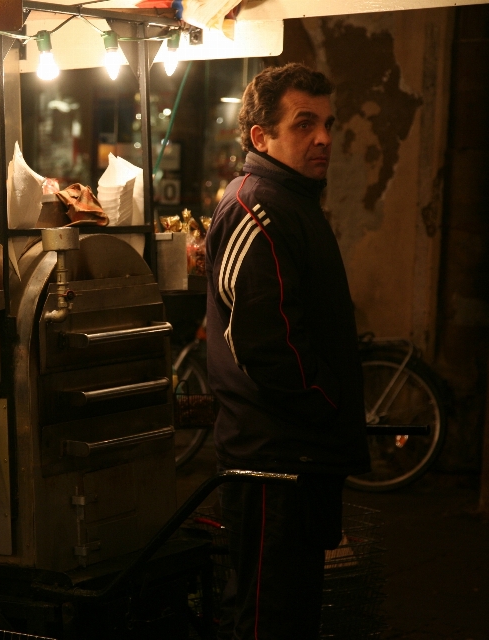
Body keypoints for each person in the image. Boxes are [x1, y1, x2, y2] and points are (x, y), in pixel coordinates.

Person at [205, 63, 371, 638]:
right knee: (266, 618)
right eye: (304, 124)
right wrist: (328, 404)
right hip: (273, 460)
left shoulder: (293, 199)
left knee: (290, 614)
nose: (323, 137)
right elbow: (268, 345)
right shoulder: (256, 206)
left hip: (300, 456)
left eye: (327, 123)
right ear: (261, 136)